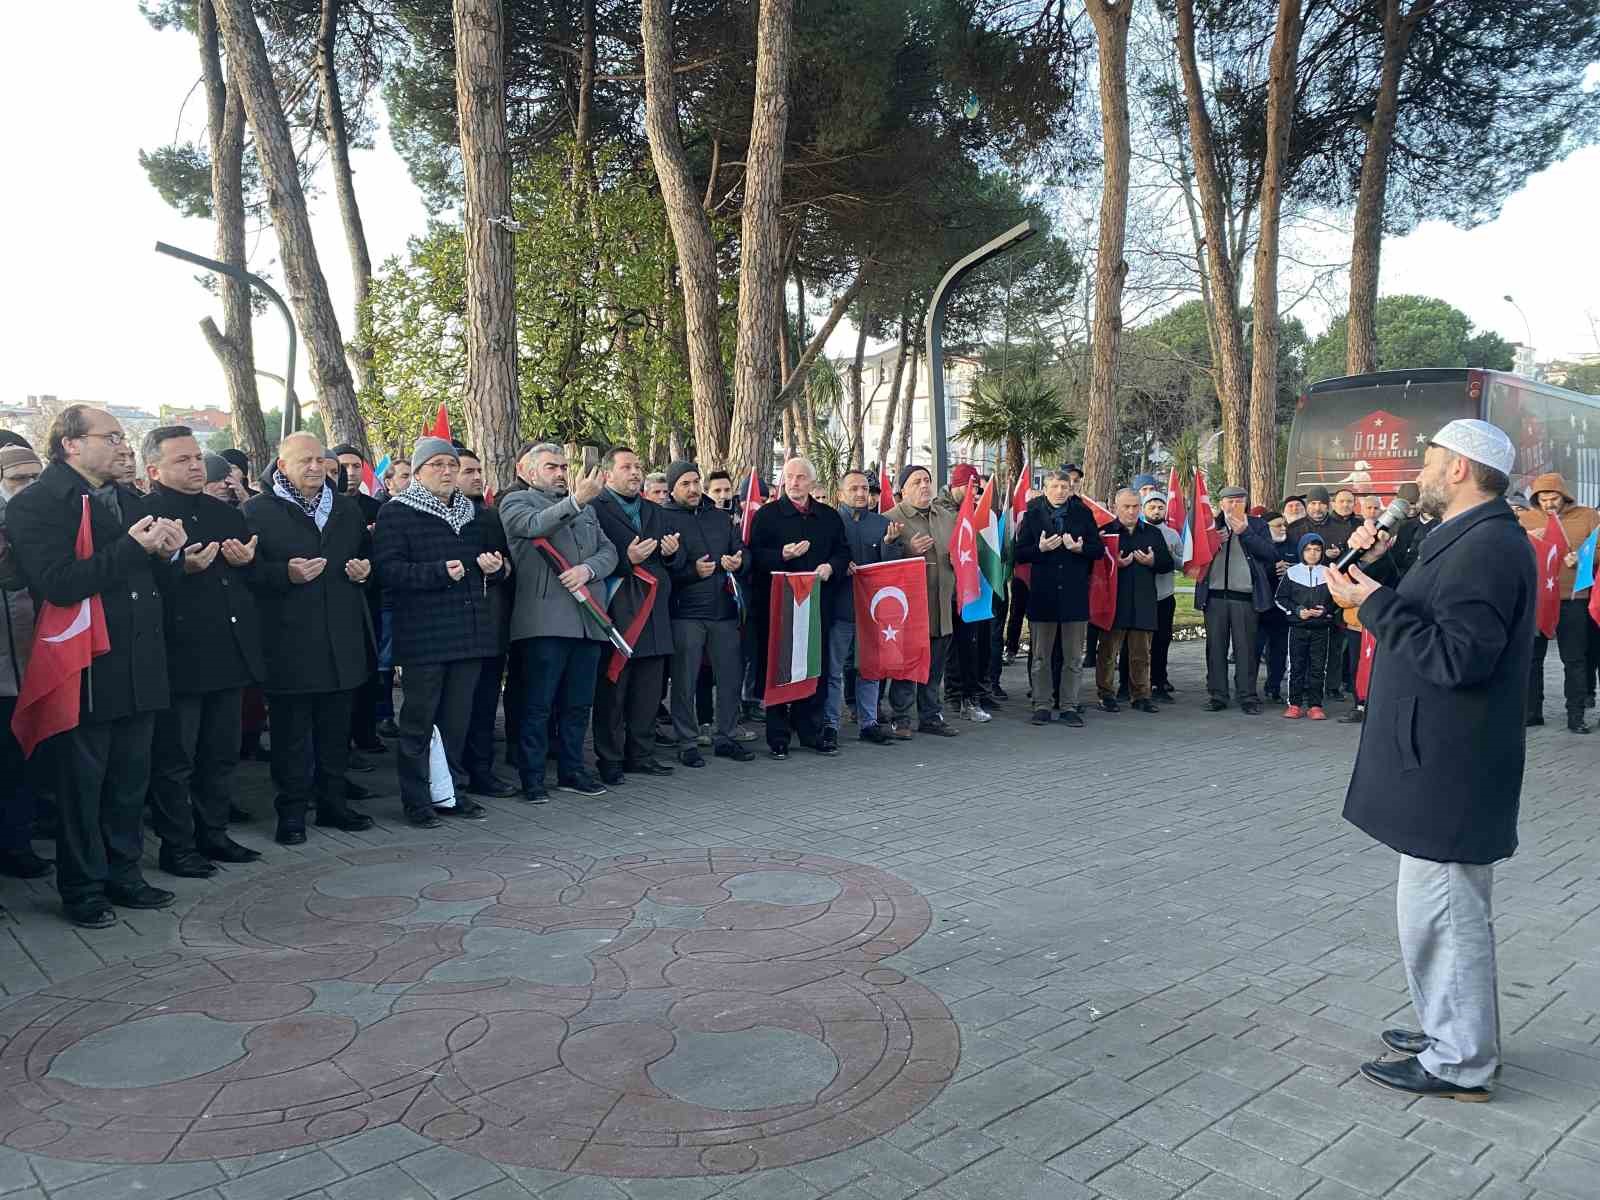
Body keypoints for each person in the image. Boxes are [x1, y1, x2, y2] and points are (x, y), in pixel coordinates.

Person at [1328, 418, 1532, 1102]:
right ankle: (1447, 1028)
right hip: (1444, 759)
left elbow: (1457, 656)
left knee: (1445, 915)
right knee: (1439, 914)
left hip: (1453, 765)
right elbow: (1429, 608)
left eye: (1431, 458)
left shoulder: (1488, 547)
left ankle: (1461, 1059)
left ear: (1460, 470)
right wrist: (1378, 568)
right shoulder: (1467, 534)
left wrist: (1374, 601)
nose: (1419, 470)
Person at [7, 405, 186, 927]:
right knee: (83, 784)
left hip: (140, 658)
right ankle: (83, 886)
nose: (121, 445)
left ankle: (124, 873)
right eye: (110, 436)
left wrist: (170, 556)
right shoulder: (37, 504)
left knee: (131, 779)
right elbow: (59, 584)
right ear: (71, 445)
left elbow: (154, 582)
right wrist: (135, 548)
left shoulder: (130, 498)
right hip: (86, 665)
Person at [142, 425, 266, 876]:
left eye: (197, 457)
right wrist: (177, 567)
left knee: (220, 752)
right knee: (176, 760)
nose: (195, 466)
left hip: (228, 651)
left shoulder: (225, 513)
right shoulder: (145, 518)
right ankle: (178, 846)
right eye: (182, 460)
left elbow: (253, 578)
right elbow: (135, 587)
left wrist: (248, 563)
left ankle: (214, 834)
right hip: (178, 655)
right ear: (154, 468)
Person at [243, 433, 377, 845]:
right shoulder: (257, 511)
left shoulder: (346, 509)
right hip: (289, 642)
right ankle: (292, 812)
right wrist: (284, 573)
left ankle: (333, 802)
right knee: (291, 735)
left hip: (342, 638)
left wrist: (364, 571)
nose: (316, 467)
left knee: (336, 731)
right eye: (305, 460)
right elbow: (244, 573)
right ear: (281, 466)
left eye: (321, 460)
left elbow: (368, 557)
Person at [373, 438, 506, 826]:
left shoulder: (476, 515)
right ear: (417, 473)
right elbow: (387, 570)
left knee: (456, 721)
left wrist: (496, 567)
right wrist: (435, 572)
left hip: (469, 633)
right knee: (418, 722)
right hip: (423, 637)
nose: (446, 472)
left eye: (451, 464)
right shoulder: (397, 513)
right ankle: (416, 800)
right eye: (437, 466)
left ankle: (451, 792)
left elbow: (501, 569)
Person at [499, 443, 617, 803]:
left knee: (579, 703)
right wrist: (577, 501)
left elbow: (608, 551)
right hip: (545, 622)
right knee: (538, 705)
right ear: (527, 471)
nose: (561, 473)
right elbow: (537, 526)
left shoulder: (585, 508)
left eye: (564, 467)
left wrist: (588, 569)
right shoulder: (516, 502)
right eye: (552, 467)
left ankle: (572, 770)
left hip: (587, 620)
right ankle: (532, 777)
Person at [747, 457, 850, 758]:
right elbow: (753, 557)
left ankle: (811, 731)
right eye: (789, 476)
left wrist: (831, 567)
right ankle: (778, 735)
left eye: (801, 477)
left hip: (817, 605)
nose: (794, 482)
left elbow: (843, 552)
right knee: (779, 668)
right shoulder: (767, 516)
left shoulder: (828, 517)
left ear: (812, 483)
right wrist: (782, 554)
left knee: (813, 669)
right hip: (778, 607)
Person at [589, 446, 680, 783]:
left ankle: (641, 755)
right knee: (614, 690)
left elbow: (678, 563)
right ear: (607, 474)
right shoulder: (594, 509)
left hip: (654, 614)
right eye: (626, 467)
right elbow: (589, 556)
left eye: (638, 466)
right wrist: (626, 559)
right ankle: (610, 759)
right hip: (617, 611)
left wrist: (672, 555)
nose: (635, 473)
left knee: (648, 692)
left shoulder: (656, 511)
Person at [660, 461, 756, 765]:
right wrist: (690, 571)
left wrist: (739, 562)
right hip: (686, 613)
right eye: (684, 484)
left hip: (724, 611)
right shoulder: (663, 517)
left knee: (729, 678)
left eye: (695, 482)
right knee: (685, 680)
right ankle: (687, 741)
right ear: (673, 488)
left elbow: (743, 551)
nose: (692, 489)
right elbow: (661, 570)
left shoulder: (720, 517)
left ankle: (726, 736)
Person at [453, 448, 519, 797]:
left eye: (479, 470)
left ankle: (482, 771)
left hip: (490, 625)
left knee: (483, 705)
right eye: (468, 471)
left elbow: (509, 568)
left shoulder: (491, 518)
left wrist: (500, 570)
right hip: (451, 630)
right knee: (453, 708)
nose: (477, 477)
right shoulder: (434, 518)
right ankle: (450, 775)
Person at [1014, 468, 1103, 726]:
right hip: (1043, 596)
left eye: (1064, 487)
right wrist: (1039, 549)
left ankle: (1069, 706)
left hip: (1074, 596)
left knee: (1073, 657)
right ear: (1046, 489)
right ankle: (1042, 704)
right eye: (1054, 487)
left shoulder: (1083, 513)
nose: (1060, 491)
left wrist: (1081, 548)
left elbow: (1097, 549)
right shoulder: (1032, 515)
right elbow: (1019, 554)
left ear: (1071, 489)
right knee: (1041, 656)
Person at [0, 445, 51, 882]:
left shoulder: (44, 521)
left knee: (20, 763)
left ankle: (17, 847)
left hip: (28, 665)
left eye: (37, 477)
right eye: (19, 479)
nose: (29, 488)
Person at [829, 468, 907, 746]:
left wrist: (889, 544)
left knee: (870, 670)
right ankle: (830, 725)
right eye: (854, 489)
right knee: (834, 670)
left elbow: (891, 568)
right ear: (840, 494)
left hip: (872, 613)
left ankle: (869, 722)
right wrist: (839, 567)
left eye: (865, 489)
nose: (861, 494)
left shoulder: (883, 523)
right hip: (840, 609)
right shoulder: (831, 522)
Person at [1518, 472, 1600, 733]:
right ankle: (1532, 713)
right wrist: (1529, 539)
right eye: (1543, 499)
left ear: (1564, 496)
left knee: (1574, 659)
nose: (1549, 504)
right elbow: (1511, 551)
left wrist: (1584, 559)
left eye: (1553, 498)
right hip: (1538, 600)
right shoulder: (1525, 519)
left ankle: (1575, 716)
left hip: (1573, 599)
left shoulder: (1587, 516)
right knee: (1532, 659)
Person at [884, 464, 959, 740]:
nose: (924, 486)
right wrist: (907, 550)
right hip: (910, 609)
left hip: (941, 604)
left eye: (927, 480)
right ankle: (900, 717)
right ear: (903, 490)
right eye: (916, 482)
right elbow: (882, 562)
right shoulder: (891, 518)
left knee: (935, 666)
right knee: (906, 666)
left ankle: (931, 715)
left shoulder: (947, 516)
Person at [1196, 485, 1279, 714]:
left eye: (1239, 501)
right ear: (1221, 504)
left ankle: (1248, 696)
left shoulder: (1257, 525)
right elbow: (1194, 558)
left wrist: (1246, 533)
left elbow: (1271, 554)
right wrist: (1213, 541)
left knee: (1246, 649)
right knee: (1215, 648)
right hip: (1214, 597)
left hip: (1244, 596)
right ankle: (1217, 695)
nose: (1233, 506)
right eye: (1229, 501)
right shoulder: (1210, 524)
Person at [1096, 489, 1172, 713]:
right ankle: (1106, 695)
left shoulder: (1152, 533)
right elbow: (1094, 566)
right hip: (1114, 602)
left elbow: (1167, 564)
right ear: (1116, 507)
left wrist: (1152, 561)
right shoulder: (1106, 532)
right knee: (1108, 653)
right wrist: (1114, 564)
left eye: (1135, 507)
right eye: (1126, 507)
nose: (1131, 511)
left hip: (1143, 601)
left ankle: (1141, 695)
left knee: (1141, 654)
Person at [943, 464, 993, 722]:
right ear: (957, 486)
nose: (974, 493)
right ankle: (953, 695)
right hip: (948, 591)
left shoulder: (978, 511)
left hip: (973, 590)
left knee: (971, 645)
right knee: (949, 647)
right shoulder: (941, 511)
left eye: (977, 488)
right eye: (970, 487)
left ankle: (971, 695)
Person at [1275, 533, 1334, 720]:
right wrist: (1297, 611)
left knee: (1318, 667)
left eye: (1317, 550)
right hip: (1298, 628)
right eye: (1308, 549)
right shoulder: (1292, 573)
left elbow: (1337, 600)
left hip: (1320, 629)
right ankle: (1294, 703)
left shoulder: (1329, 573)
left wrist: (1325, 611)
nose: (1313, 553)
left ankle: (1315, 705)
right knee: (1296, 666)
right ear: (1301, 551)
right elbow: (1280, 598)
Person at [1143, 492, 1182, 703]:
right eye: (1152, 507)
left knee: (1162, 640)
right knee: (1139, 643)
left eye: (1160, 507)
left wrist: (1170, 554)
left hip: (1165, 596)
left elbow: (1182, 564)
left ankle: (1160, 679)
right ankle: (1137, 681)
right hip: (1142, 597)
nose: (1156, 511)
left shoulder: (1172, 534)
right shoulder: (1138, 532)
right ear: (1144, 509)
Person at [1257, 510, 1296, 702]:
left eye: (1284, 525)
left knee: (1279, 651)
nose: (1283, 529)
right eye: (1278, 525)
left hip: (1283, 609)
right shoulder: (1258, 545)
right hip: (1260, 607)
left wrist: (1292, 569)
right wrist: (1271, 571)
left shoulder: (1293, 545)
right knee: (1254, 650)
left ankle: (1273, 688)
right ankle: (1247, 689)